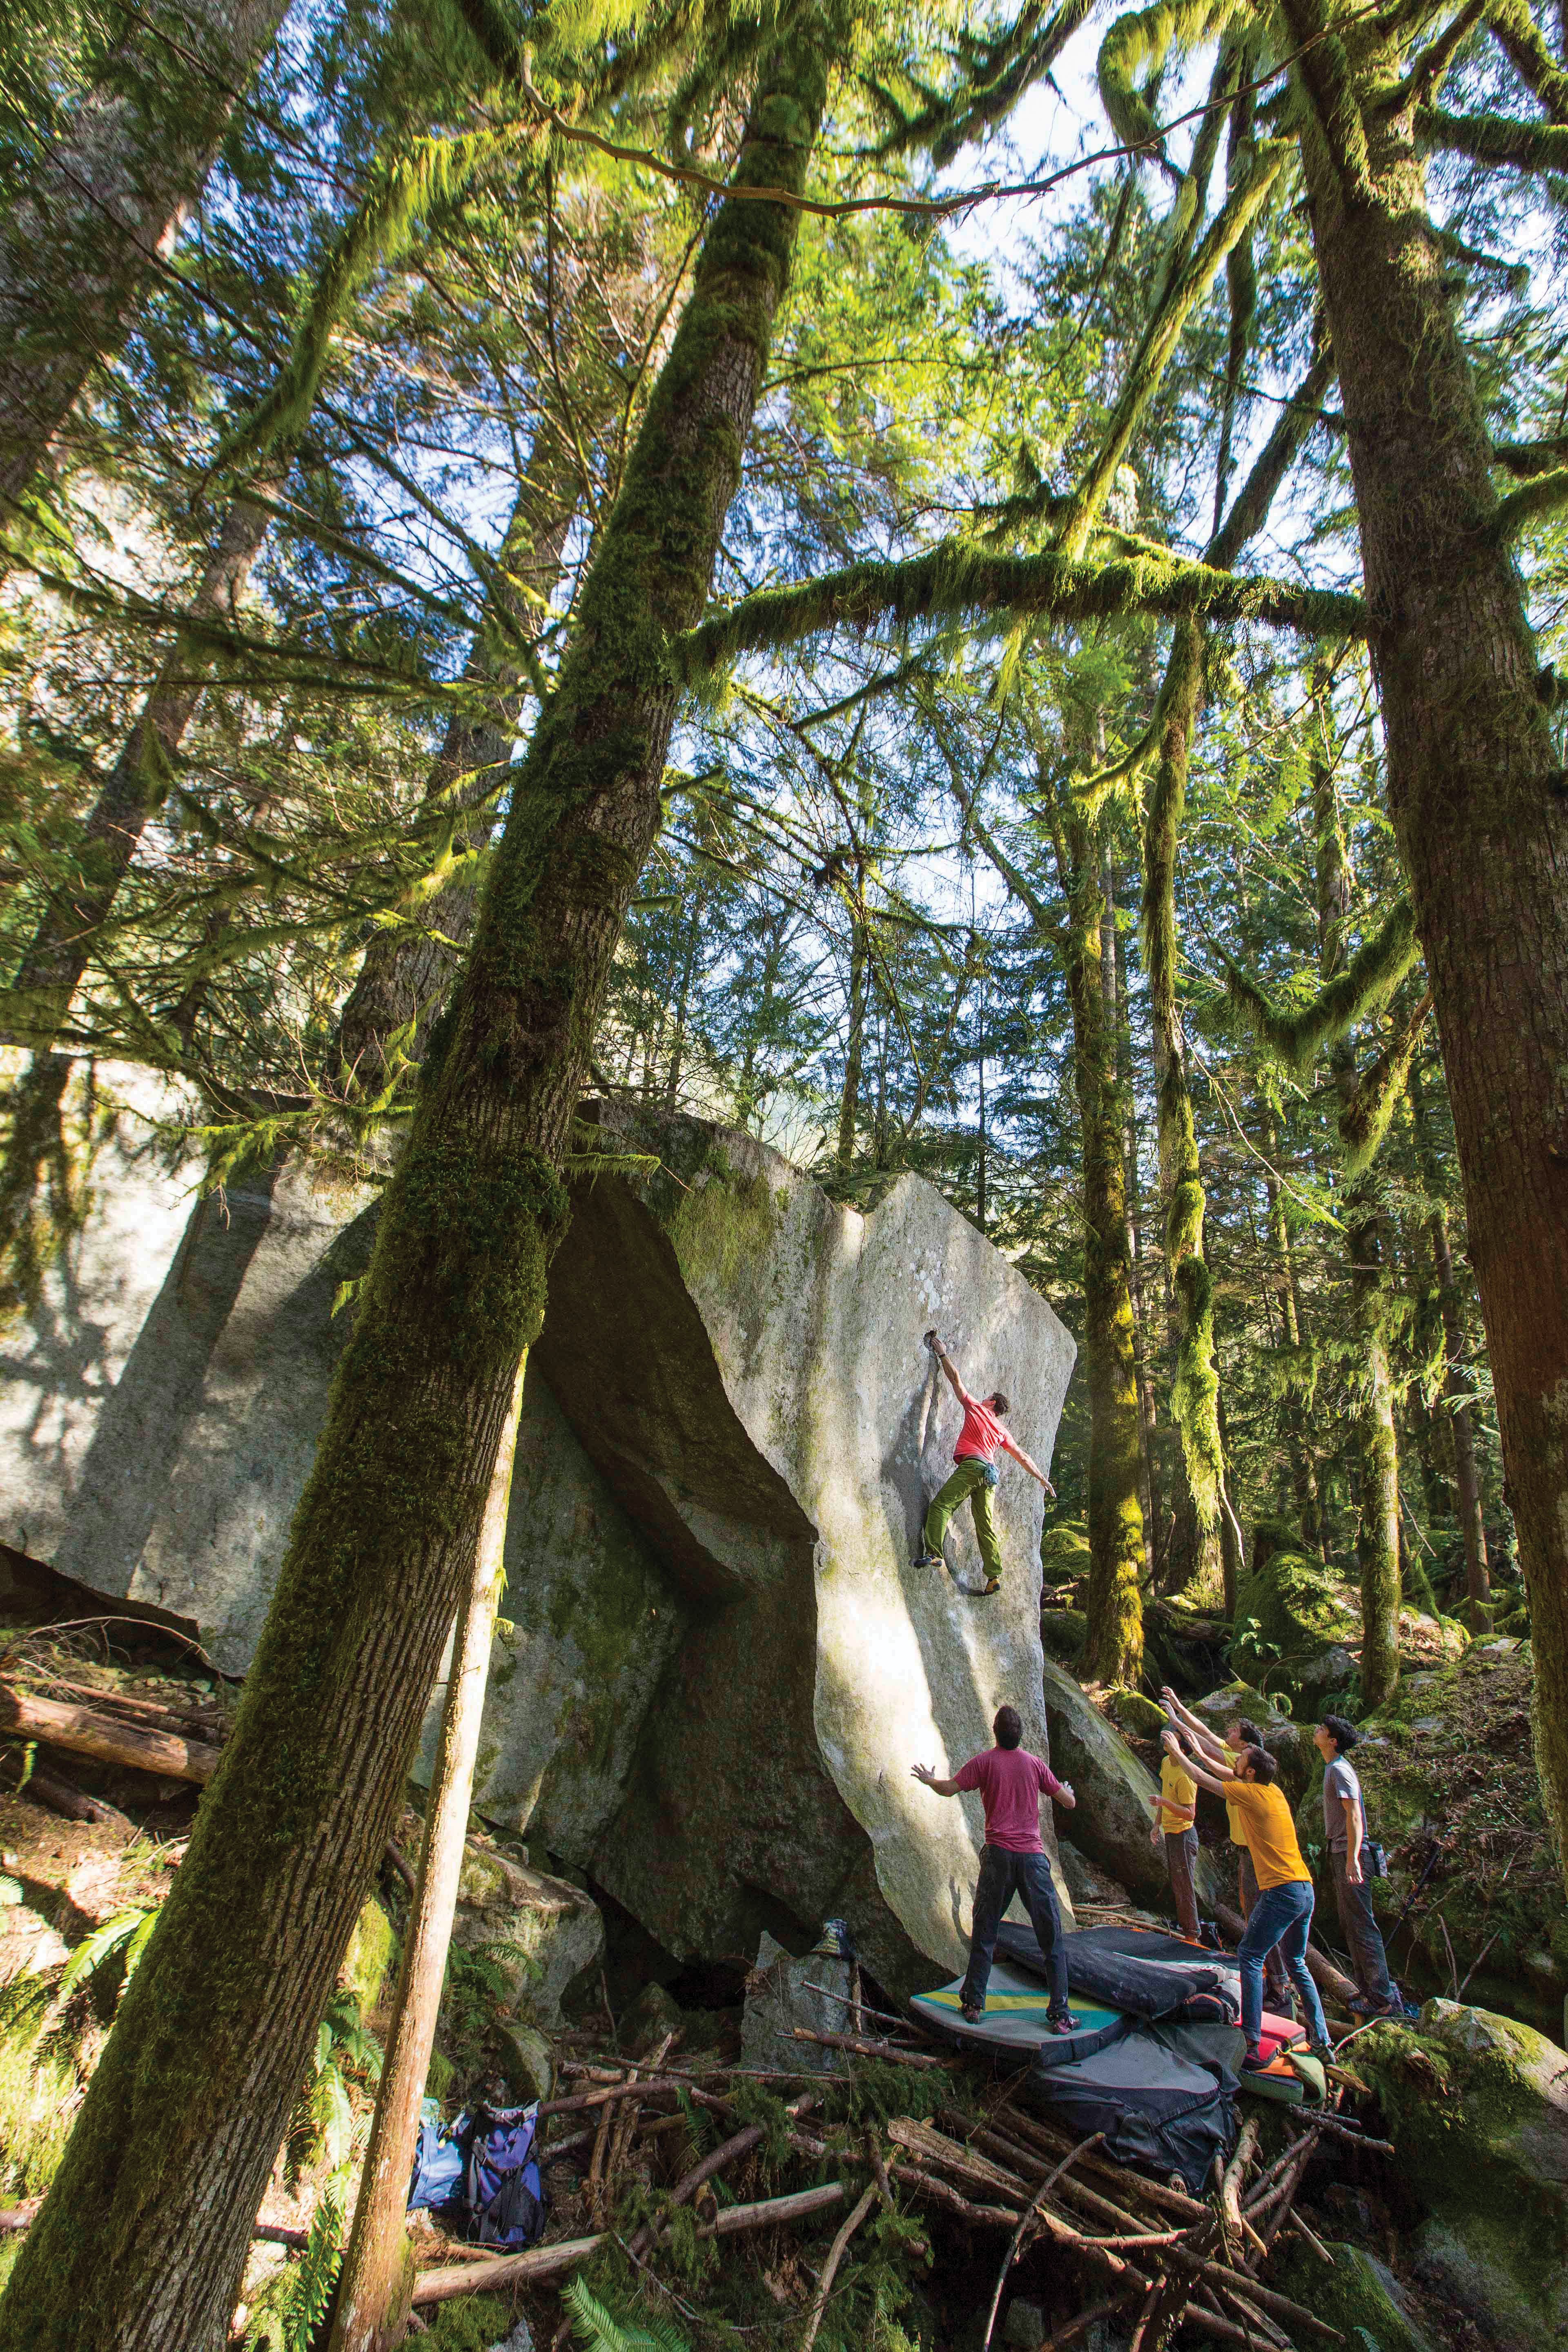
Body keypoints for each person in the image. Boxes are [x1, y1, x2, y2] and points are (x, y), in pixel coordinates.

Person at [1160, 1726, 1333, 2069]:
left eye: (1240, 1759)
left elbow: (1201, 1777)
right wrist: (1195, 1746)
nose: (1235, 1760)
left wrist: (1178, 1752)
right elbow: (1220, 1770)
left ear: (1251, 1772)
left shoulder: (1251, 1796)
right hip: (1304, 1889)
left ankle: (1251, 2041)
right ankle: (1323, 2040)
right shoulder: (1272, 1792)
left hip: (1282, 1891)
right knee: (1296, 1961)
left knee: (1251, 1955)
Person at [913, 1704, 1078, 2028]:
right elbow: (1069, 1802)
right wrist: (1067, 1791)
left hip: (998, 1857)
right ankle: (1060, 2014)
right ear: (1020, 1734)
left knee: (986, 1932)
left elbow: (950, 1789)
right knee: (1051, 1938)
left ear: (995, 1732)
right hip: (1032, 1861)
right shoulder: (1035, 1766)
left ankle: (974, 2005)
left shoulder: (984, 1763)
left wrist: (930, 1780)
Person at [1161, 1687, 1293, 2015]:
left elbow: (1202, 1759)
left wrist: (1177, 1729)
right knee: (1257, 1918)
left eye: (1233, 1731)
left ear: (1246, 1750)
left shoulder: (1243, 1770)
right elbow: (1205, 1740)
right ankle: (1276, 1979)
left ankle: (1277, 1985)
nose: (1227, 1733)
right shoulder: (1246, 1768)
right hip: (1249, 1854)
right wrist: (1178, 1709)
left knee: (1258, 1921)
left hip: (1256, 1857)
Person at [914, 1331, 1055, 1594]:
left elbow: (955, 1380)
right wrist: (1042, 1479)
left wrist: (942, 1353)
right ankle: (993, 1577)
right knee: (985, 1524)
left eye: (988, 1396)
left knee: (941, 1507)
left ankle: (934, 1553)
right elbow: (1022, 1457)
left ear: (991, 1402)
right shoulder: (1002, 1430)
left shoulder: (977, 1408)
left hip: (974, 1466)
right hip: (991, 1475)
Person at [1315, 1714, 1405, 2017]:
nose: (1316, 1731)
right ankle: (1367, 1990)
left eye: (1322, 1730)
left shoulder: (1340, 1770)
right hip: (1341, 1851)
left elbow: (1354, 1816)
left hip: (1351, 1853)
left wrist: (1354, 1858)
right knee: (1352, 1924)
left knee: (1363, 1925)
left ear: (1333, 1741)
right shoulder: (1332, 1768)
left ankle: (1382, 1997)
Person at [1149, 1740, 1200, 1940]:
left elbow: (1190, 1814)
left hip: (1184, 1836)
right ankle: (1186, 1928)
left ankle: (1192, 1934)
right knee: (1177, 1883)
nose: (1167, 1740)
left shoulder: (1186, 1777)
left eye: (1174, 1740)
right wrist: (1157, 1824)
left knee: (1184, 1885)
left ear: (1182, 1750)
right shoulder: (1166, 1762)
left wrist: (1165, 1803)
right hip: (1171, 1833)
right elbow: (1165, 1793)